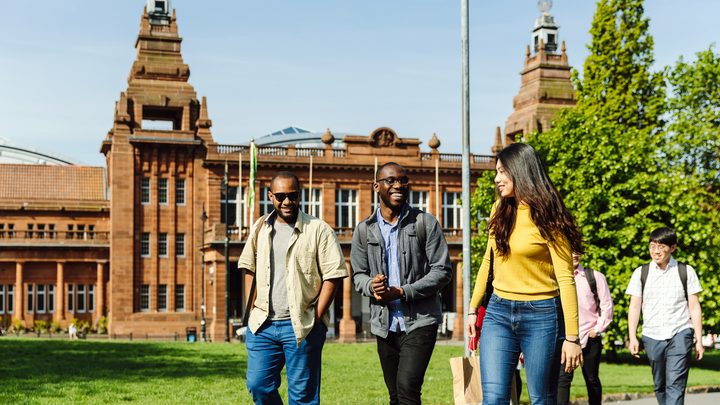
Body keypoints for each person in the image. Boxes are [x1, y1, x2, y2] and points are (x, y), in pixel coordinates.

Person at [465, 142, 584, 404]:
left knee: (542, 398)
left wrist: (573, 338)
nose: (496, 179)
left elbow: (566, 279)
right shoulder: (500, 210)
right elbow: (489, 261)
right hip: (498, 312)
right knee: (494, 398)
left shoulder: (549, 217)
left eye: (502, 172)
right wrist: (473, 309)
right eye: (496, 172)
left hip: (542, 315)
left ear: (521, 171)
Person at [241, 171, 348, 404]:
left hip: (302, 325)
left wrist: (316, 317)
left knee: (302, 397)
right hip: (263, 326)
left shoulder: (318, 229)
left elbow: (333, 276)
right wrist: (252, 309)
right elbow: (248, 267)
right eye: (280, 196)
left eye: (292, 195)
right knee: (258, 385)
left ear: (300, 196)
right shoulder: (260, 227)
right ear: (270, 196)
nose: (287, 201)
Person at [351, 162, 452, 405]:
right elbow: (358, 275)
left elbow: (442, 271)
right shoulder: (364, 230)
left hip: (420, 321)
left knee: (407, 388)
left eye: (403, 180)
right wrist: (371, 286)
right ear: (376, 186)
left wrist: (402, 292)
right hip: (384, 325)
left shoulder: (425, 223)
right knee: (395, 395)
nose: (398, 185)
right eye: (391, 180)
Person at [626, 227, 704, 405]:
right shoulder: (641, 273)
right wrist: (632, 337)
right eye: (652, 246)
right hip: (652, 335)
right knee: (660, 385)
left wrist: (698, 339)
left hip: (680, 332)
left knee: (675, 384)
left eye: (661, 246)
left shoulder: (686, 271)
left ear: (673, 247)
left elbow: (694, 307)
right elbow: (635, 306)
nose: (656, 251)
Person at [557, 253, 614, 405]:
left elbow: (607, 304)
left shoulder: (594, 276)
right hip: (566, 339)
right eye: (570, 251)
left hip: (590, 337)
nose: (574, 255)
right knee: (563, 379)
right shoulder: (556, 276)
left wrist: (598, 328)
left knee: (591, 378)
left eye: (577, 251)